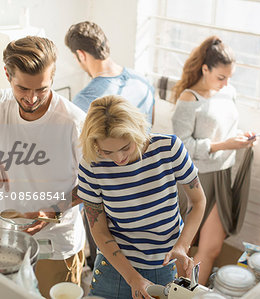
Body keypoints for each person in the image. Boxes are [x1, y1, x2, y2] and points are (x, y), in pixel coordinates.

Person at [0, 36, 86, 298]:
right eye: (23, 89)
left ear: (53, 78)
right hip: (8, 237)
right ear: (7, 75)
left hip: (55, 244)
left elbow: (94, 185)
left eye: (42, 89)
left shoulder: (73, 122)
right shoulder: (1, 104)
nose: (32, 98)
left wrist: (50, 213)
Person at [77, 95, 206, 299]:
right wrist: (131, 277)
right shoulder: (91, 165)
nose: (118, 158)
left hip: (162, 265)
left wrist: (182, 245)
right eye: (107, 151)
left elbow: (198, 201)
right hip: (115, 268)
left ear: (138, 129)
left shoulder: (169, 149)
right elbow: (100, 232)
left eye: (125, 147)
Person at [170, 36, 259, 285]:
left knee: (211, 248)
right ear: (205, 69)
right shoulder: (189, 99)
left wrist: (242, 138)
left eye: (229, 77)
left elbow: (228, 128)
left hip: (221, 174)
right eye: (221, 77)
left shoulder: (228, 92)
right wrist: (224, 145)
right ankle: (176, 290)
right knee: (182, 246)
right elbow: (181, 146)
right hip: (195, 179)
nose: (226, 83)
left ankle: (191, 291)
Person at [65, 21, 155, 125]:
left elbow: (77, 139)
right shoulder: (143, 80)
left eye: (75, 57)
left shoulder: (84, 100)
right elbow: (150, 122)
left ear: (81, 55)